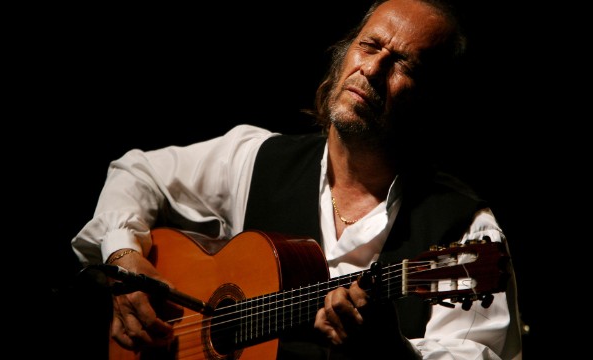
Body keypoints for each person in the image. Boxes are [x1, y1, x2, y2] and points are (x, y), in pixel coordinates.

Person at [71, 0, 522, 359]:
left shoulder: (467, 231)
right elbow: (137, 171)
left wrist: (388, 353)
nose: (372, 69)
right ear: (345, 53)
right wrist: (125, 261)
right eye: (369, 46)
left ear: (433, 104)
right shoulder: (255, 157)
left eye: (404, 64)